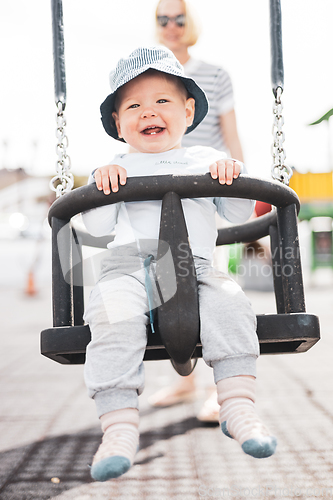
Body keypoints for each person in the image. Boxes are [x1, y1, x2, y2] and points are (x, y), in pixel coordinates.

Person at [82, 46, 277, 482]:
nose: (148, 111)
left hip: (197, 267)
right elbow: (96, 225)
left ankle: (238, 406)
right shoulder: (115, 166)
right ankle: (118, 429)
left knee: (231, 305)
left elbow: (236, 216)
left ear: (189, 112)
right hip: (130, 268)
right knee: (110, 317)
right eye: (133, 105)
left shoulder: (206, 160)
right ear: (118, 123)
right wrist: (102, 185)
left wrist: (231, 177)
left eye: (162, 101)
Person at [149, 0, 244, 419]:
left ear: (192, 23)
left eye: (179, 18)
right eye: (162, 19)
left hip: (207, 183)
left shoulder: (215, 75)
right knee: (165, 277)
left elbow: (230, 134)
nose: (171, 25)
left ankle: (216, 388)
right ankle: (184, 382)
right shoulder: (151, 73)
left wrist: (244, 180)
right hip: (160, 179)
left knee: (210, 278)